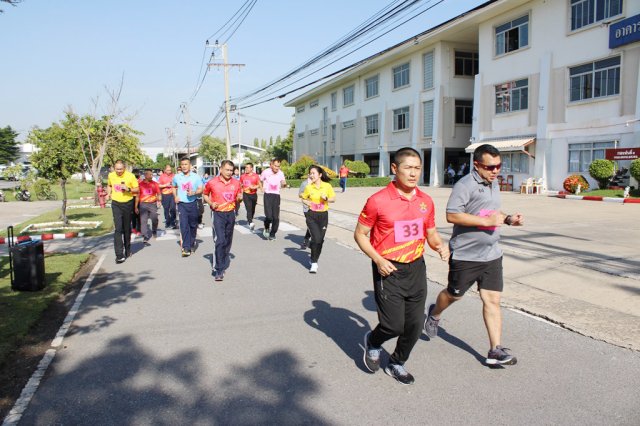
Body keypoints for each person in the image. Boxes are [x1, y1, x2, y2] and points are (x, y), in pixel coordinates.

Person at [354, 147, 449, 385]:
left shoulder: (425, 201)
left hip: (416, 268)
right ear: (395, 169)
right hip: (388, 268)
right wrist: (378, 260)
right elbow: (360, 235)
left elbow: (431, 233)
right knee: (393, 325)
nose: (413, 173)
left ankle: (397, 362)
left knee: (415, 325)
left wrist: (440, 246)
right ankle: (374, 342)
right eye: (408, 167)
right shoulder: (377, 201)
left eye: (417, 168)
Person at [424, 144, 524, 366]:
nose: (496, 171)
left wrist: (508, 219)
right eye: (490, 167)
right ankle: (435, 313)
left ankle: (495, 350)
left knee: (492, 300)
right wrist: (485, 222)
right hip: (466, 255)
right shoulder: (465, 185)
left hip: (492, 254)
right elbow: (452, 215)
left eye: (498, 166)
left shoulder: (493, 184)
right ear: (477, 165)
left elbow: (492, 211)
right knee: (453, 295)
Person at [203, 160, 242, 282]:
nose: (229, 172)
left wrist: (240, 199)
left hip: (230, 214)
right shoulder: (212, 182)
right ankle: (218, 269)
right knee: (220, 240)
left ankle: (223, 260)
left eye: (231, 170)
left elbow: (238, 197)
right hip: (217, 214)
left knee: (227, 241)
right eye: (227, 170)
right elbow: (205, 194)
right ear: (221, 169)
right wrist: (210, 202)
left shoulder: (236, 183)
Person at [300, 165, 336, 273]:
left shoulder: (327, 186)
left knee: (320, 240)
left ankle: (313, 257)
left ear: (320, 175)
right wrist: (308, 202)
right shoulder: (308, 187)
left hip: (323, 216)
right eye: (310, 173)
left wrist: (326, 199)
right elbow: (303, 197)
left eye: (313, 173)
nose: (311, 175)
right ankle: (314, 263)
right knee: (316, 238)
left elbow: (333, 199)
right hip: (311, 215)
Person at [105, 160, 139, 264]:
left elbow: (137, 189)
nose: (119, 171)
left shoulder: (130, 176)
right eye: (117, 169)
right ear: (114, 168)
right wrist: (108, 194)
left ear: (124, 168)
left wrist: (128, 189)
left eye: (121, 169)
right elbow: (109, 185)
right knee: (118, 229)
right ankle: (119, 255)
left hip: (128, 203)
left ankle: (128, 249)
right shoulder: (111, 176)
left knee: (126, 229)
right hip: (116, 203)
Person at [173, 158, 204, 257]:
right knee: (184, 225)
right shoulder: (177, 177)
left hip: (193, 203)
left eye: (186, 164)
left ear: (190, 165)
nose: (184, 166)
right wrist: (175, 196)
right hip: (182, 204)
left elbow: (201, 189)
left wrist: (193, 192)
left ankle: (192, 243)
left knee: (193, 225)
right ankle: (186, 247)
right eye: (182, 164)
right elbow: (173, 186)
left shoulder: (196, 177)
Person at [260, 158, 286, 241]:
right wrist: (261, 188)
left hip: (276, 196)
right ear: (271, 165)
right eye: (275, 166)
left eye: (278, 166)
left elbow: (283, 182)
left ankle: (273, 233)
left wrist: (284, 184)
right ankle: (267, 227)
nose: (277, 168)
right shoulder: (266, 172)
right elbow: (259, 180)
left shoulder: (281, 173)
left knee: (276, 217)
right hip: (267, 195)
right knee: (269, 216)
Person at [135, 169, 161, 245]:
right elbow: (137, 196)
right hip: (143, 204)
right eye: (150, 175)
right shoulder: (140, 184)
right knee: (143, 221)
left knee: (154, 218)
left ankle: (154, 231)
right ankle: (145, 236)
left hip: (152, 204)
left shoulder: (155, 184)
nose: (151, 176)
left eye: (152, 175)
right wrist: (136, 206)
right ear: (146, 175)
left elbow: (159, 194)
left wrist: (159, 200)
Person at [241, 163, 261, 230]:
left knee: (252, 209)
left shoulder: (256, 176)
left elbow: (259, 185)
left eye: (247, 167)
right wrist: (240, 193)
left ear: (251, 168)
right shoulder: (243, 176)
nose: (246, 169)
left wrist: (254, 187)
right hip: (246, 194)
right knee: (248, 208)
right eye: (245, 167)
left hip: (254, 194)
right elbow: (240, 185)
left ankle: (250, 219)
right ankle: (250, 222)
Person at [158, 165, 177, 229]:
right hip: (165, 194)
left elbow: (177, 184)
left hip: (172, 194)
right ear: (165, 170)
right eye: (168, 170)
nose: (169, 171)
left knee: (173, 208)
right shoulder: (162, 176)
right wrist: (166, 185)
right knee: (166, 209)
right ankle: (167, 221)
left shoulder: (174, 175)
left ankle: (173, 222)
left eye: (170, 170)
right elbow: (159, 185)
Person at [298, 175, 312, 250]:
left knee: (313, 226)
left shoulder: (319, 183)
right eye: (311, 173)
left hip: (317, 208)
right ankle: (306, 241)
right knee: (311, 225)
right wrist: (306, 195)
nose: (312, 175)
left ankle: (308, 240)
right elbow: (300, 194)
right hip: (307, 208)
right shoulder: (304, 184)